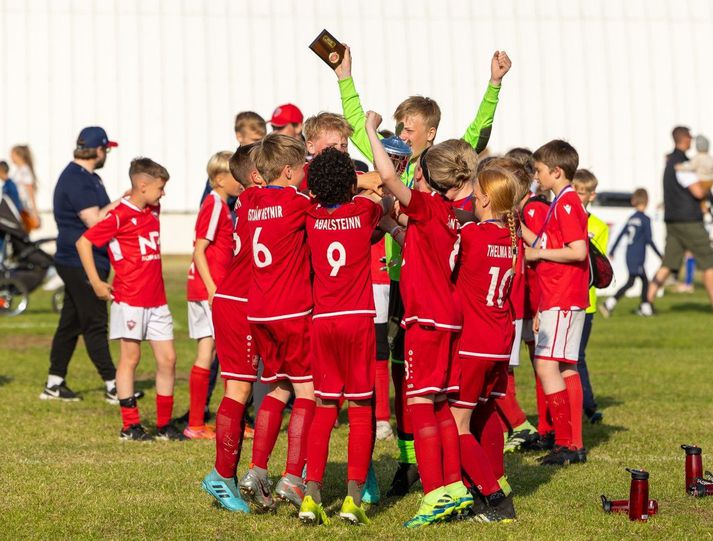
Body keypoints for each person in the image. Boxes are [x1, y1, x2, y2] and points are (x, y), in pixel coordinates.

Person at [335, 44, 511, 497]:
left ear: (430, 133)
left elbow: (479, 130)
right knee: (398, 371)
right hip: (395, 281)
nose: (401, 135)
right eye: (397, 128)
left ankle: (448, 469)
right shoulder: (391, 156)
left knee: (434, 383)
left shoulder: (440, 168)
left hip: (436, 289)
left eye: (409, 129)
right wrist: (344, 77)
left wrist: (493, 85)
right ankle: (412, 459)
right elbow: (358, 127)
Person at [367, 113, 472, 528]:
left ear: (427, 177)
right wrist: (390, 222)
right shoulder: (447, 213)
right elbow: (416, 243)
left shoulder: (428, 205)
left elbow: (391, 180)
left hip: (425, 319)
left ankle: (433, 495)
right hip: (446, 316)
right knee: (441, 405)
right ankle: (454, 486)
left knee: (419, 405)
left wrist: (375, 134)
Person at [298, 148, 383, 526]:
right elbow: (387, 200)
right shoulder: (363, 211)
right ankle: (352, 499)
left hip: (323, 320)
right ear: (351, 183)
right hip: (358, 319)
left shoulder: (309, 215)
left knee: (325, 406)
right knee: (362, 409)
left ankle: (311, 496)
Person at [76, 157, 184, 441]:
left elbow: (135, 197)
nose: (164, 193)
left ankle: (164, 425)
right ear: (143, 185)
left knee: (168, 359)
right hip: (130, 299)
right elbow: (83, 242)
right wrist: (98, 282)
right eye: (160, 187)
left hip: (157, 299)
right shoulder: (118, 216)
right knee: (130, 358)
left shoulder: (153, 208)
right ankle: (130, 426)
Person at [238, 134, 315, 511]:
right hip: (292, 311)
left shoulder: (248, 200)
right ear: (288, 171)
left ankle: (255, 470)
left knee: (278, 388)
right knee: (308, 392)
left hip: (259, 311)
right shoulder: (297, 201)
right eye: (301, 168)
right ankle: (293, 476)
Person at [449, 165, 520, 523]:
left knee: (456, 422)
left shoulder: (473, 235)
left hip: (474, 342)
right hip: (500, 340)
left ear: (487, 198)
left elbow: (444, 262)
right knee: (487, 411)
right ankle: (492, 485)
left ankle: (494, 498)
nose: (472, 198)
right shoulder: (513, 238)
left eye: (477, 193)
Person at [201, 144, 265, 513]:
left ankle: (255, 473)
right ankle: (222, 477)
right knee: (238, 390)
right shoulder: (260, 199)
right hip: (239, 304)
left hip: (253, 303)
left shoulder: (253, 198)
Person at [42, 127, 122, 402]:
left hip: (83, 259)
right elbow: (95, 221)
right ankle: (113, 384)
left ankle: (54, 382)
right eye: (106, 149)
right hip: (79, 261)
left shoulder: (90, 178)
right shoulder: (76, 179)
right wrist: (126, 201)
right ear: (98, 150)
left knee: (71, 323)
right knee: (95, 322)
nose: (106, 155)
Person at [522, 140, 589, 466]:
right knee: (565, 367)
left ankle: (564, 442)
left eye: (538, 171)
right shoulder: (560, 202)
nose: (536, 177)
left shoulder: (565, 203)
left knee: (547, 366)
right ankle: (573, 443)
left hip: (563, 296)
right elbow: (543, 243)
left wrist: (538, 254)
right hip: (557, 297)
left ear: (556, 171)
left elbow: (578, 251)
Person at [184, 151, 242, 439]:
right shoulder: (215, 204)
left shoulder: (221, 203)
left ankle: (196, 424)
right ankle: (227, 422)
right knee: (229, 353)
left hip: (207, 288)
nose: (240, 180)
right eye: (235, 175)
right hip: (211, 289)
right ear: (219, 179)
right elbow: (199, 248)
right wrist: (211, 288)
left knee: (208, 351)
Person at [647, 126, 713, 310]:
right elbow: (698, 192)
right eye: (690, 136)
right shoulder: (682, 164)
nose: (692, 139)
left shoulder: (670, 163)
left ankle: (647, 302)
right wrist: (708, 183)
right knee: (709, 262)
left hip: (672, 221)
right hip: (689, 220)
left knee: (668, 263)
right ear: (684, 138)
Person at [572, 169, 608, 427]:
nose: (577, 196)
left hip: (587, 302)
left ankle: (588, 406)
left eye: (582, 193)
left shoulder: (598, 226)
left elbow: (598, 265)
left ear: (591, 195)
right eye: (574, 191)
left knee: (578, 356)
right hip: (563, 297)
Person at [601, 188, 662, 317]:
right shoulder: (645, 219)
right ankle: (643, 307)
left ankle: (612, 304)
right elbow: (649, 240)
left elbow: (620, 235)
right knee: (643, 281)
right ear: (646, 201)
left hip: (629, 255)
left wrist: (612, 250)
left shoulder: (631, 218)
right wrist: (660, 254)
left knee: (634, 281)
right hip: (638, 256)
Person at [10, 145, 40, 230]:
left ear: (19, 156)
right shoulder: (18, 170)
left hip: (23, 207)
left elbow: (30, 190)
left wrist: (34, 211)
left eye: (12, 155)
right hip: (17, 206)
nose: (11, 157)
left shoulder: (25, 170)